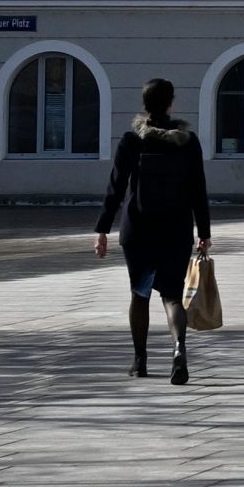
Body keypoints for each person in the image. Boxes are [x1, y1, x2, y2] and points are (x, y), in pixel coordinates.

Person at [92, 78, 211, 385]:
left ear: (144, 104)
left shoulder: (133, 140)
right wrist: (204, 232)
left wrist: (102, 229)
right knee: (172, 296)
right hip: (176, 229)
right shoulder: (188, 141)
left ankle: (140, 360)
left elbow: (115, 188)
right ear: (171, 104)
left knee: (140, 294)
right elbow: (198, 189)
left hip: (139, 231)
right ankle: (178, 350)